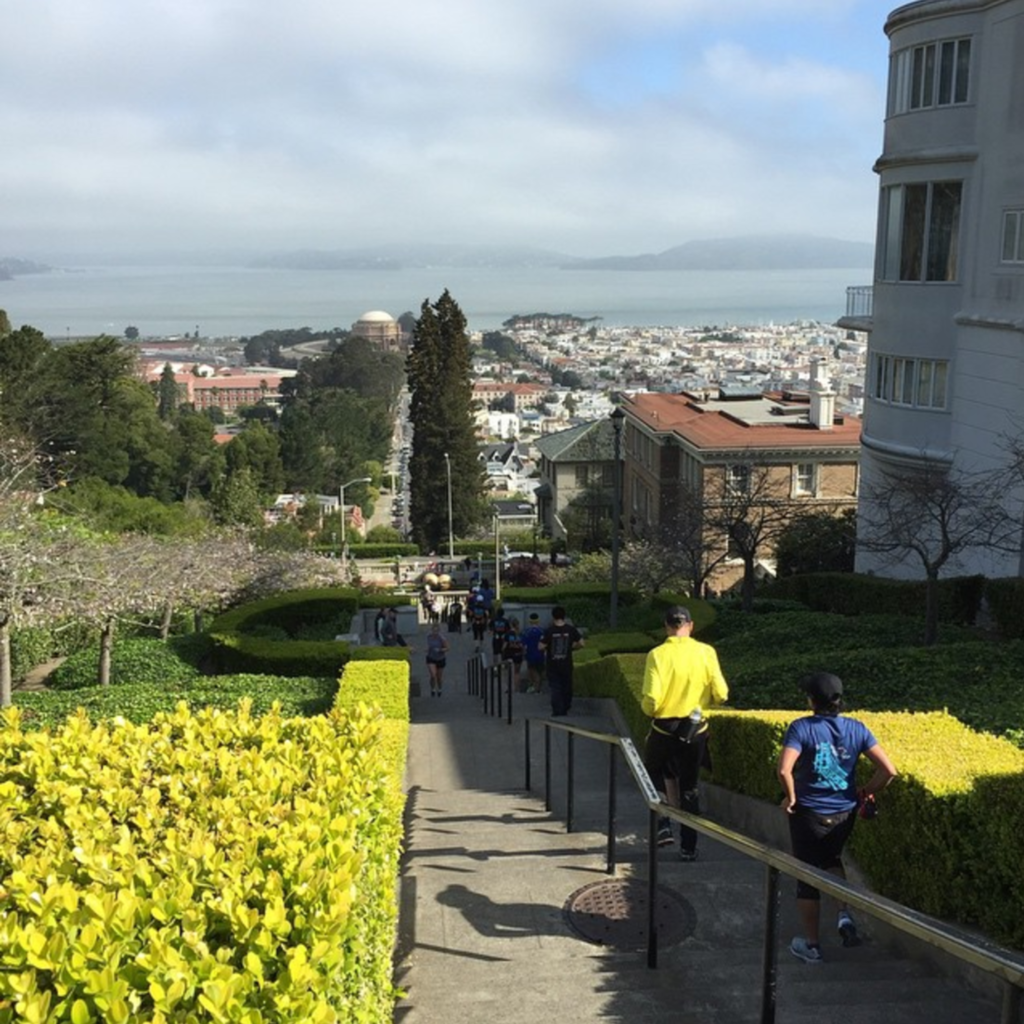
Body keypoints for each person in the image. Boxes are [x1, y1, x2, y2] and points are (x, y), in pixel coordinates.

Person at [778, 671, 898, 964]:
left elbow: (784, 770)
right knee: (832, 860)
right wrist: (866, 791)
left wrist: (791, 796)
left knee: (807, 877)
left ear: (812, 701)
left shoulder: (801, 728)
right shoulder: (857, 729)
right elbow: (890, 771)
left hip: (808, 814)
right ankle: (843, 916)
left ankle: (812, 946)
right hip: (844, 813)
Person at [641, 605, 729, 862]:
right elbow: (722, 694)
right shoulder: (706, 652)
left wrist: (649, 709)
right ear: (690, 626)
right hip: (695, 728)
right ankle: (688, 847)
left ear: (667, 626)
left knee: (652, 772)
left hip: (664, 728)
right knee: (690, 787)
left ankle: (663, 822)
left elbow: (652, 702)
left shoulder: (657, 655)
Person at [539, 606, 583, 717]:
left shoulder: (549, 631)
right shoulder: (570, 629)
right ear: (564, 616)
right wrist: (572, 647)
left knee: (555, 687)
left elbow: (540, 646)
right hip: (566, 663)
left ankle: (557, 710)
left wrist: (547, 647)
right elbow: (582, 643)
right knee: (567, 686)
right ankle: (565, 707)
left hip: (552, 664)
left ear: (553, 616)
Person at [522, 612, 546, 693]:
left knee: (532, 671)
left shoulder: (526, 632)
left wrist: (524, 655)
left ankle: (534, 688)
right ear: (538, 621)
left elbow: (524, 646)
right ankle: (539, 689)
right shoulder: (542, 631)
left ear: (530, 621)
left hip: (530, 655)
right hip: (540, 655)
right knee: (540, 672)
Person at [424, 623, 450, 697]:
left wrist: (440, 650)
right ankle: (432, 689)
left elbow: (447, 648)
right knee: (433, 674)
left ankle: (439, 688)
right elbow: (429, 646)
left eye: (436, 631)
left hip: (440, 658)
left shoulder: (442, 639)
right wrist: (427, 649)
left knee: (439, 677)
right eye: (433, 631)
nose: (434, 633)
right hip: (431, 657)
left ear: (438, 631)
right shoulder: (429, 637)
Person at [502, 617, 525, 691]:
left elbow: (504, 646)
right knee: (517, 672)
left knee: (507, 672)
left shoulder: (508, 634)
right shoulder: (520, 634)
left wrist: (502, 651)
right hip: (518, 654)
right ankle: (516, 688)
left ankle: (507, 687)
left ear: (511, 625)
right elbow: (523, 645)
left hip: (508, 654)